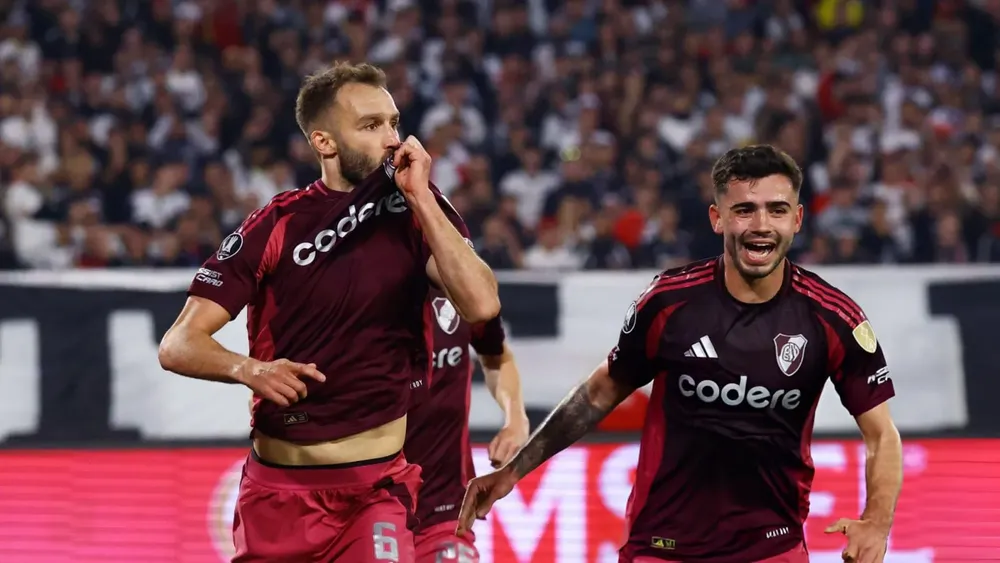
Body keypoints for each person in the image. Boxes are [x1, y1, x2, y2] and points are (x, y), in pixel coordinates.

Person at [457, 145, 903, 563]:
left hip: (772, 547)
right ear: (717, 218)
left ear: (798, 219)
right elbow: (599, 392)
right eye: (744, 209)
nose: (761, 224)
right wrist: (514, 470)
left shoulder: (833, 317)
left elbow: (882, 434)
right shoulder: (669, 303)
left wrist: (877, 523)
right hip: (662, 544)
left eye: (777, 210)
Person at [158, 62, 500, 562]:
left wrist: (422, 199)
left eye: (393, 122)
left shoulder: (417, 213)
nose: (392, 139)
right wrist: (247, 369)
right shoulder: (277, 224)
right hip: (277, 495)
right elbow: (177, 345)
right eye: (370, 125)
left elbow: (482, 304)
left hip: (375, 490)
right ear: (324, 142)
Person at [406, 290, 530, 563]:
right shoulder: (357, 287)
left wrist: (516, 419)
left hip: (444, 513)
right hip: (365, 503)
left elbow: (498, 357)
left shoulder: (461, 283)